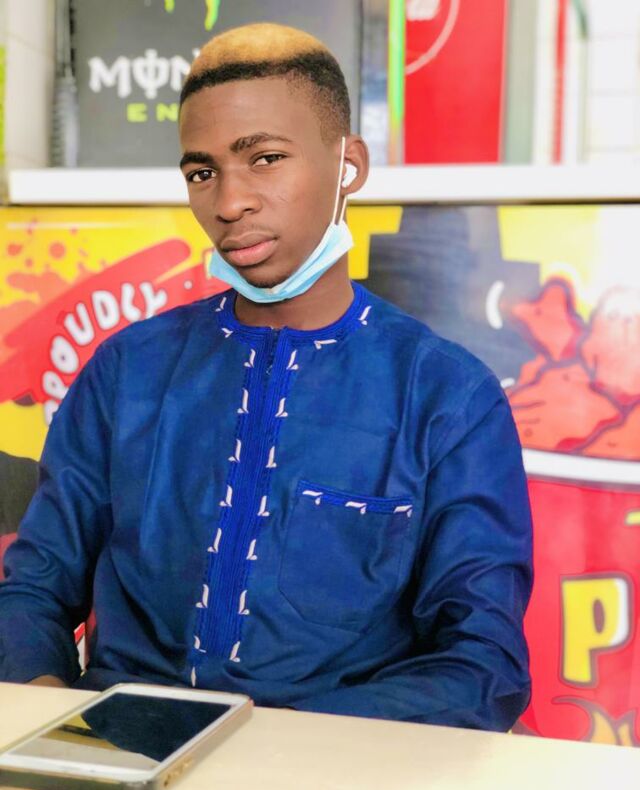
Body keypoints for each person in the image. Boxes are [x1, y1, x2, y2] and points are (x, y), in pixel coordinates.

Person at [0, 23, 533, 730]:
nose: (229, 203)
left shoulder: (447, 397)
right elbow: (34, 590)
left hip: (341, 774)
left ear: (349, 165)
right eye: (202, 173)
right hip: (121, 761)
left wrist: (275, 747)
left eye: (266, 159)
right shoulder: (127, 371)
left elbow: (481, 663)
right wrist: (52, 720)